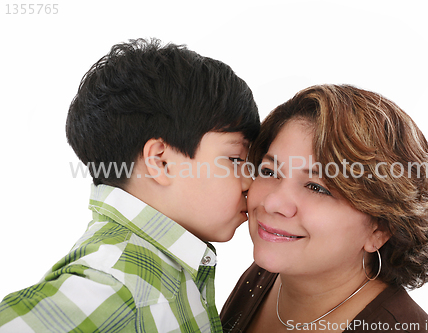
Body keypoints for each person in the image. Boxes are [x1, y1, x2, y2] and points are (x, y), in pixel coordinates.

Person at [0, 38, 259, 333]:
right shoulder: (116, 286)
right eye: (236, 159)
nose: (250, 181)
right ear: (160, 161)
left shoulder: (156, 272)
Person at [221, 84, 428, 332]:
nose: (272, 203)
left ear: (380, 230)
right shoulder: (265, 277)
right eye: (269, 171)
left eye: (316, 188)